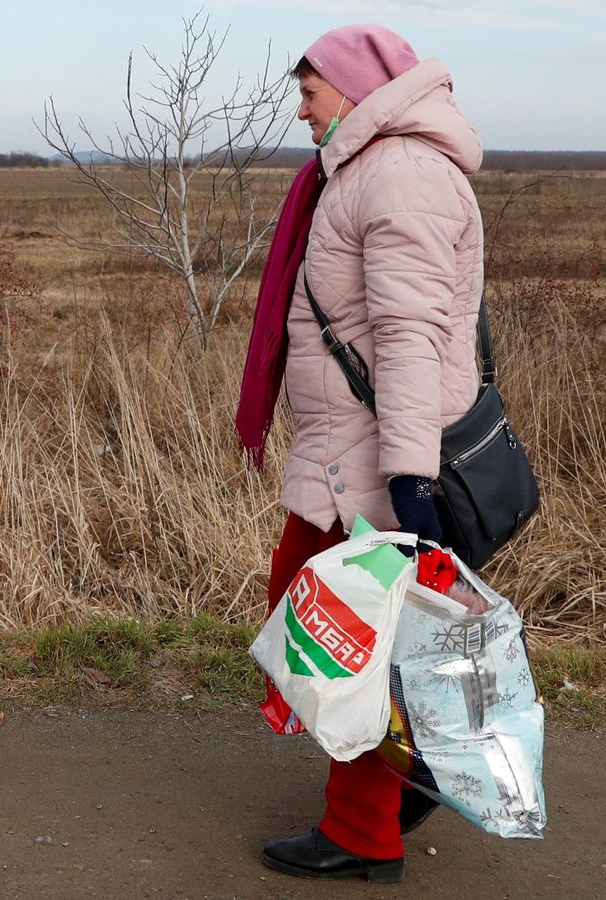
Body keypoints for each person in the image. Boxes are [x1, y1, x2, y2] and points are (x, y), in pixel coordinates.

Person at [235, 24, 487, 882]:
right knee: (313, 624)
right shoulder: (360, 170)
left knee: (346, 646)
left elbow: (412, 339)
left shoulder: (401, 174)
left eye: (309, 94)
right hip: (343, 453)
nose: (300, 112)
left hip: (375, 465)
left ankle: (366, 828)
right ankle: (401, 778)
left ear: (353, 90)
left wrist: (410, 484)